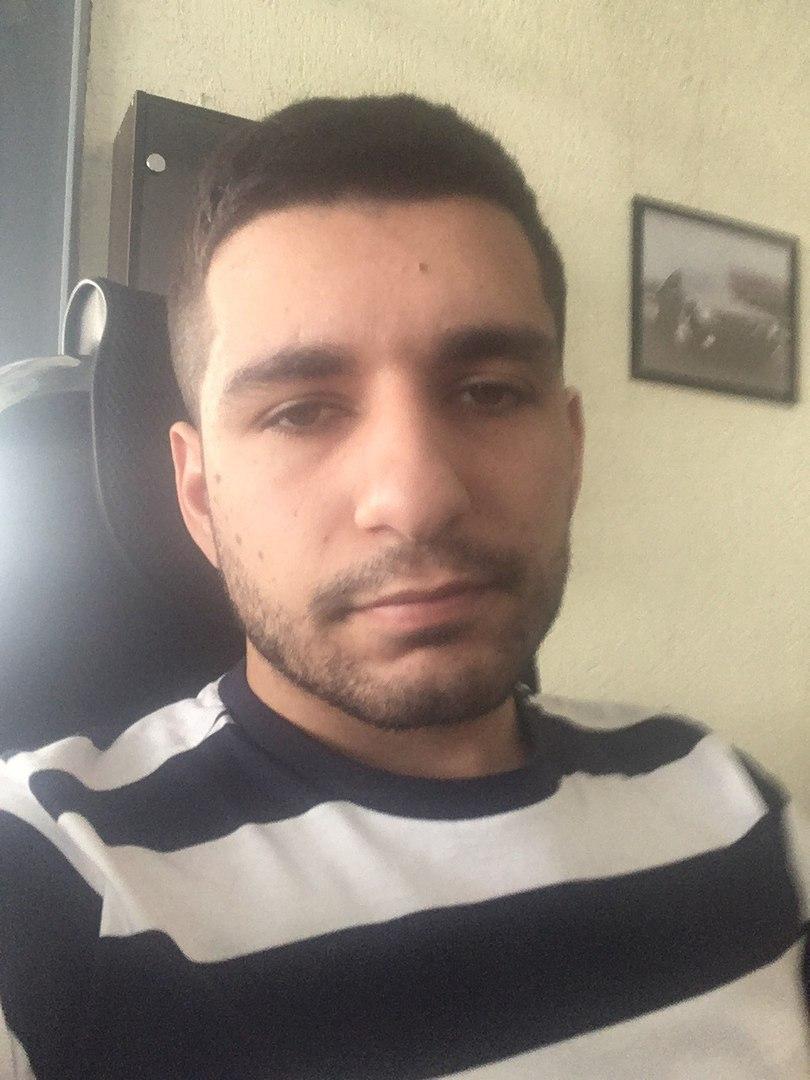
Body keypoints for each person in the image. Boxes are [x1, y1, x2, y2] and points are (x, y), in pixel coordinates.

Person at [0, 95, 807, 1079]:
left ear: (571, 451)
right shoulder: (55, 884)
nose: (418, 498)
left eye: (489, 393)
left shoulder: (728, 800)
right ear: (201, 496)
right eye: (301, 412)